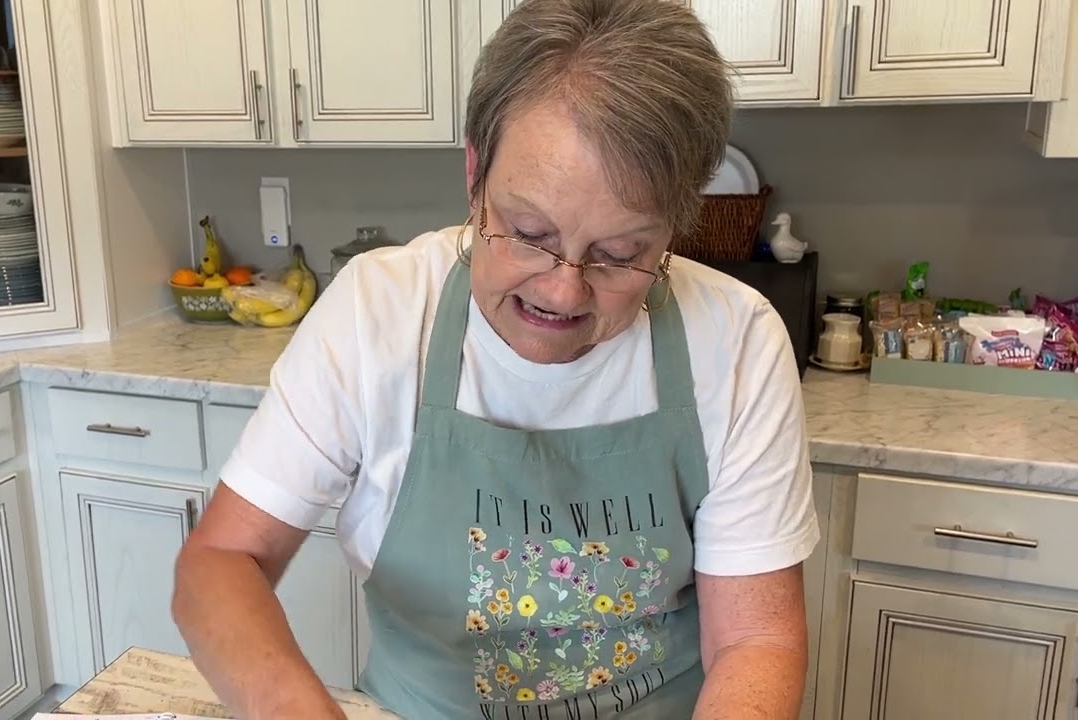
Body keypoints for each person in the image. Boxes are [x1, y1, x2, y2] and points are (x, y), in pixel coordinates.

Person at [171, 0, 819, 717]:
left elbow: (755, 637)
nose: (563, 289)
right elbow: (220, 562)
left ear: (675, 225)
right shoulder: (378, 314)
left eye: (620, 253)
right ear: (475, 172)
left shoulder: (734, 339)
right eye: (530, 232)